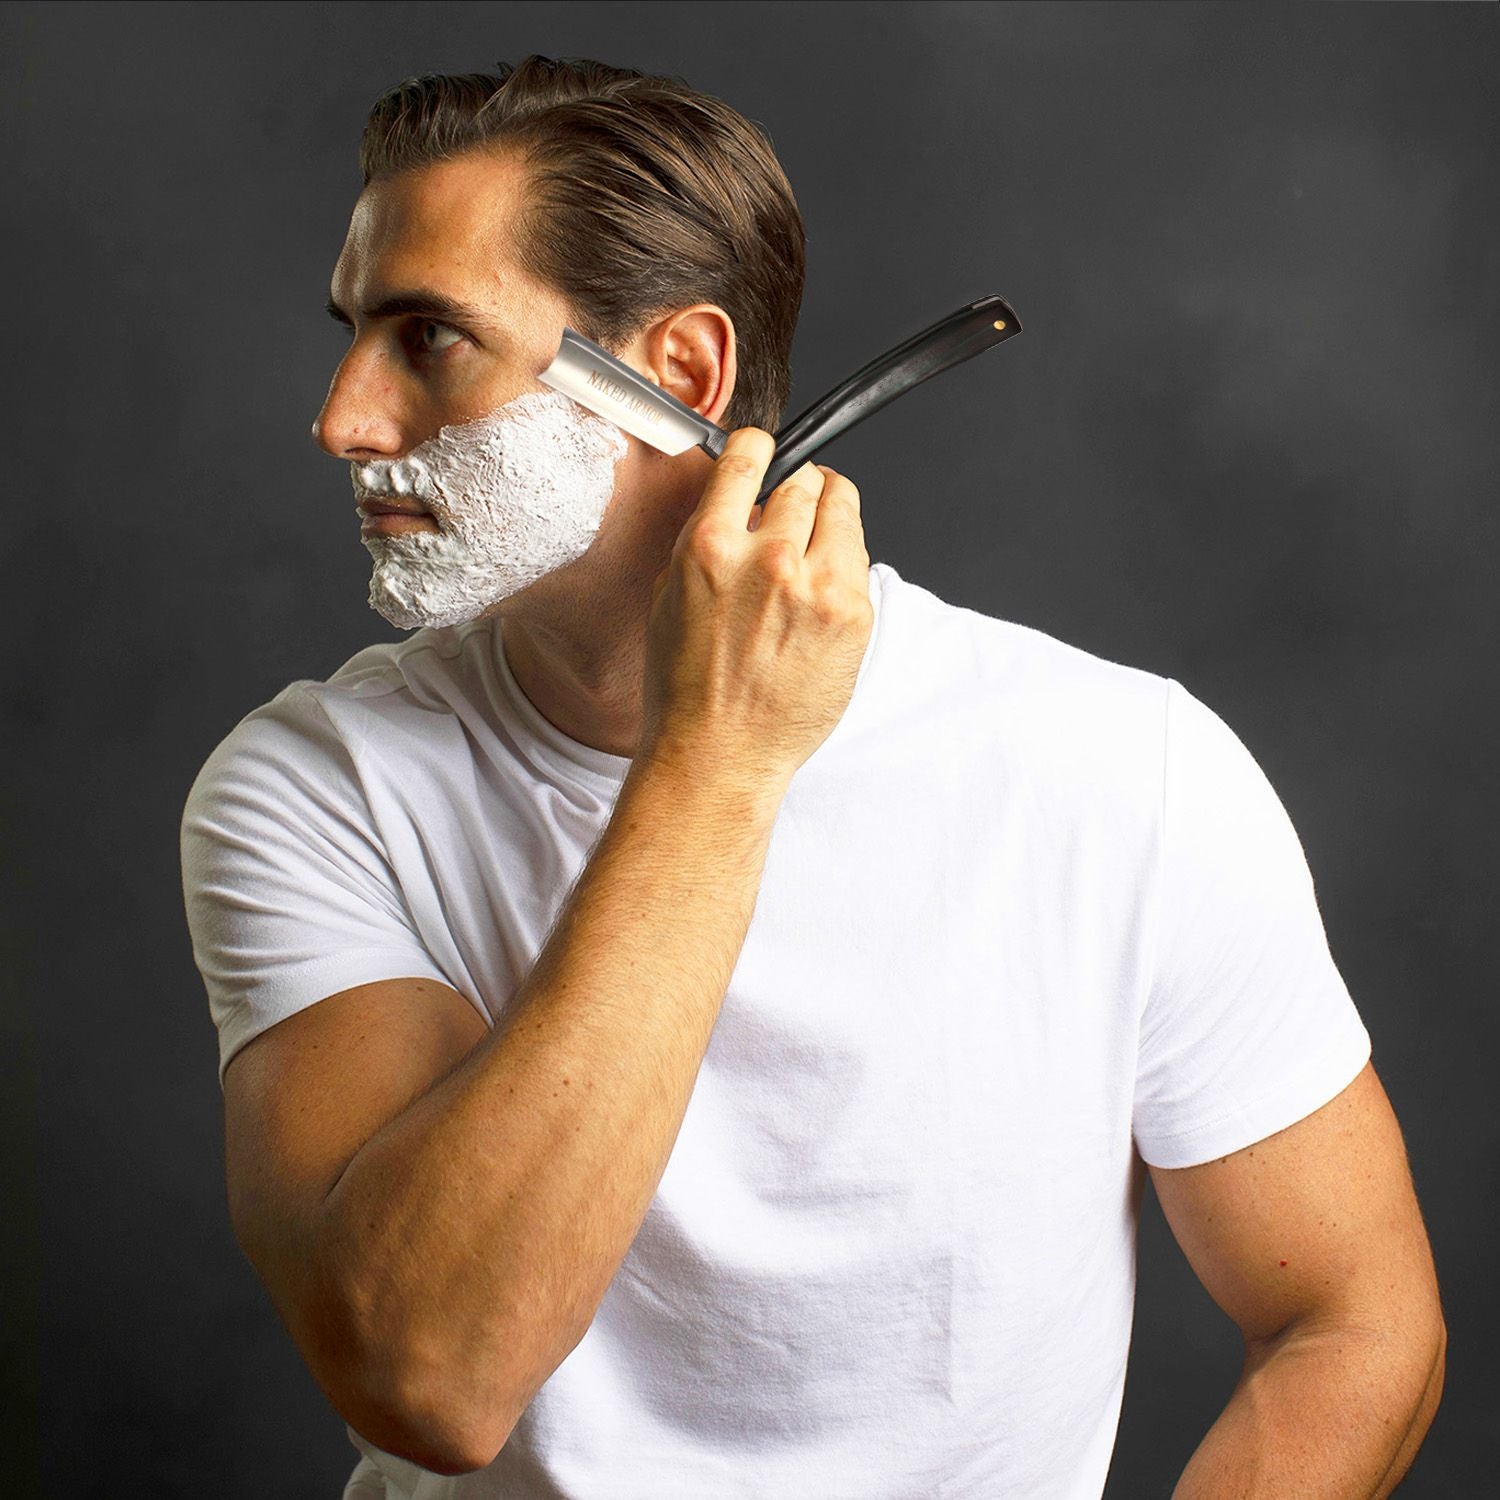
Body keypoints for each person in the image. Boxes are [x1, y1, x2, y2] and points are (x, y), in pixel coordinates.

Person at [179, 56, 1445, 1500]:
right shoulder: (314, 789)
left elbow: (1353, 1321)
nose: (344, 419)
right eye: (354, 333)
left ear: (679, 377)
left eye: (431, 338)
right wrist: (717, 762)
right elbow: (428, 1376)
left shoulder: (1119, 772)